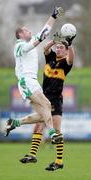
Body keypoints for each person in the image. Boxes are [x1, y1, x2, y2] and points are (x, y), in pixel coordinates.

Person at [5, 6, 64, 145]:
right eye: (26, 30)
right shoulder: (19, 45)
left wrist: (53, 21)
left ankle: (14, 122)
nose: (29, 31)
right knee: (48, 105)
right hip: (27, 82)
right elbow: (42, 35)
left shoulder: (27, 45)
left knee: (43, 114)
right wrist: (53, 16)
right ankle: (52, 134)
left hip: (30, 82)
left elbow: (42, 36)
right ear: (20, 34)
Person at [19, 34, 76, 171]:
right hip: (43, 98)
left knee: (56, 131)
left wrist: (70, 44)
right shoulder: (50, 58)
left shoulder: (65, 64)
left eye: (62, 47)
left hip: (55, 100)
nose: (59, 48)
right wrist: (53, 41)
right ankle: (32, 155)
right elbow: (45, 48)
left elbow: (72, 58)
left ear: (66, 51)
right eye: (58, 47)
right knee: (38, 127)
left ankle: (59, 161)